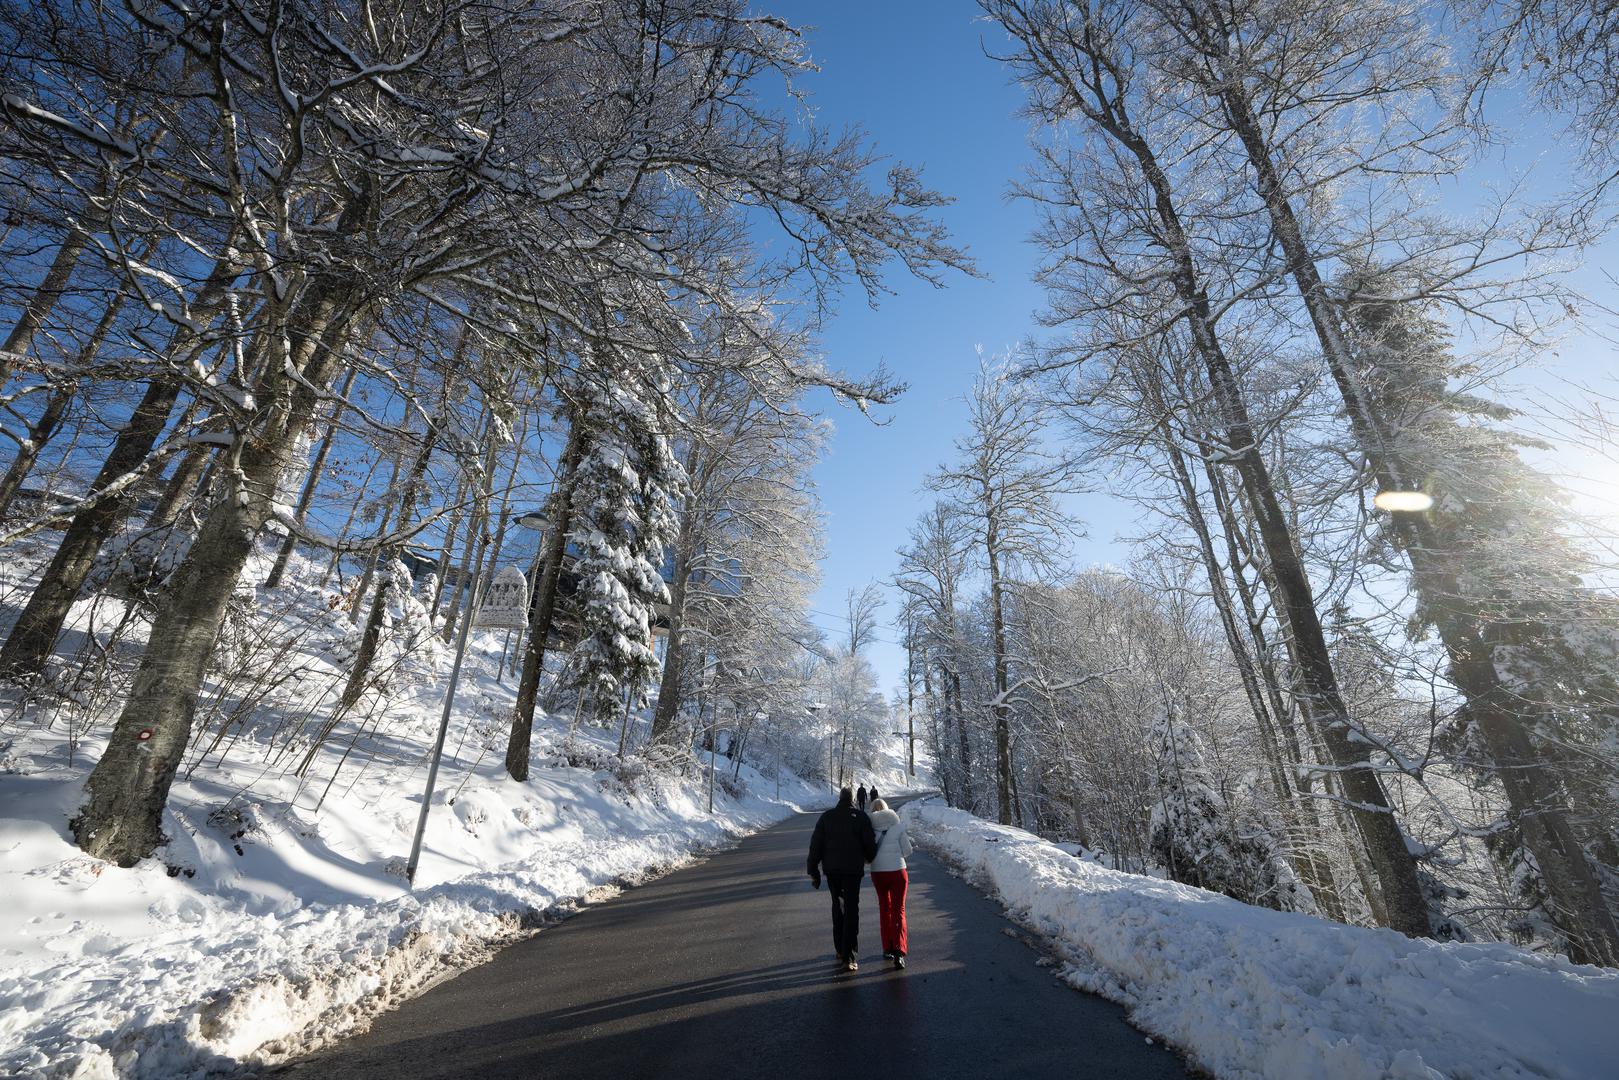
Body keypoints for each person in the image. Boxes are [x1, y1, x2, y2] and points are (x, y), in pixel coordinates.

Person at [807, 787, 877, 971]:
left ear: (839, 799)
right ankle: (849, 956)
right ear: (853, 799)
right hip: (852, 872)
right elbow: (869, 843)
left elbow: (816, 846)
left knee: (838, 907)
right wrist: (870, 857)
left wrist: (813, 871)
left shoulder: (826, 817)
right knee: (851, 910)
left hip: (832, 872)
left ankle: (839, 949)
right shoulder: (861, 817)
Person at [866, 798, 913, 970]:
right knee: (898, 910)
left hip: (878, 873)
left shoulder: (869, 828)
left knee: (884, 908)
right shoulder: (897, 826)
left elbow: (866, 855)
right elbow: (907, 851)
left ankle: (888, 947)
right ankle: (899, 951)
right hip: (898, 872)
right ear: (887, 809)